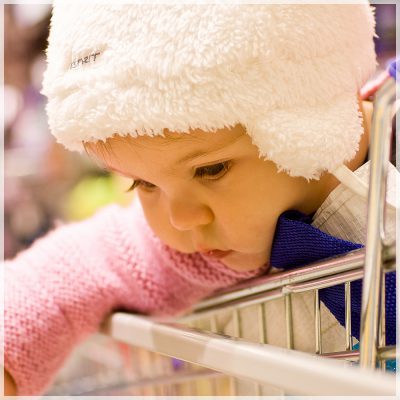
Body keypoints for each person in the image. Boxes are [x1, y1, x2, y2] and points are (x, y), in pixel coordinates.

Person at [2, 2, 397, 396]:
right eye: (143, 184)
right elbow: (72, 272)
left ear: (308, 119)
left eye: (211, 170)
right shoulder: (194, 255)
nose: (181, 218)